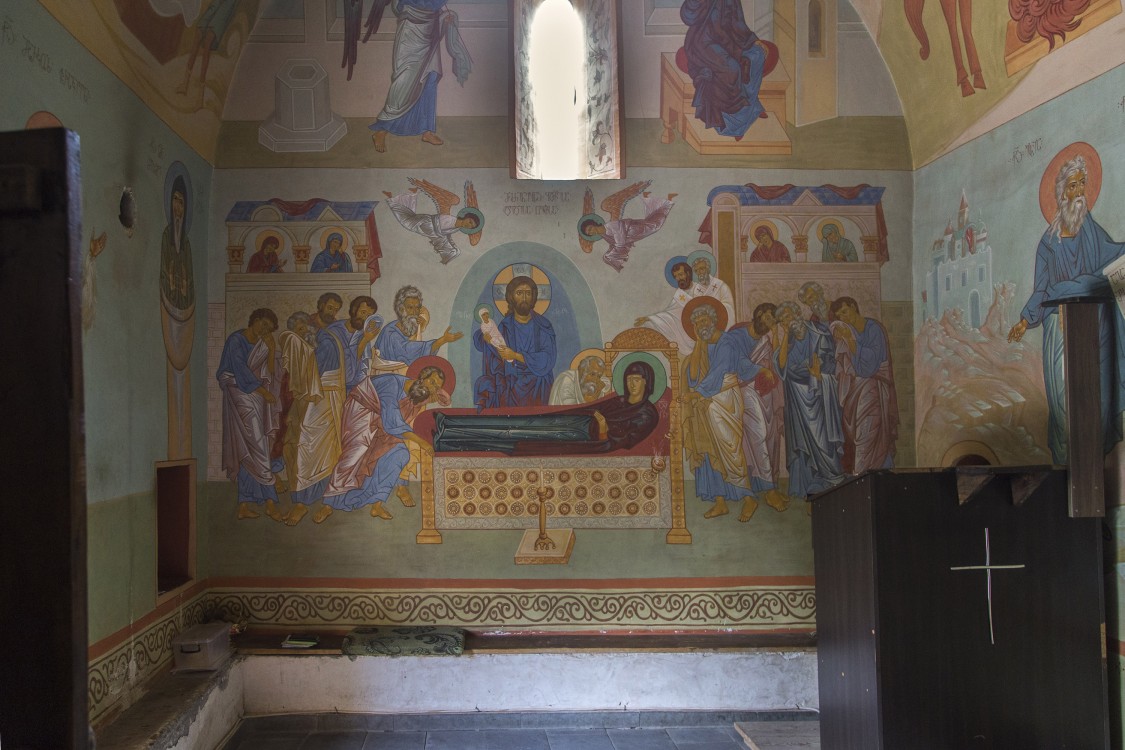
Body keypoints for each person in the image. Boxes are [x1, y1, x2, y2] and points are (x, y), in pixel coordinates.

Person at [1008, 154, 1125, 462]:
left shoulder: (1092, 231)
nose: (1079, 191)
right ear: (1062, 193)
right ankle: (1069, 469)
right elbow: (1042, 289)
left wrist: (1075, 286)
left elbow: (1113, 258)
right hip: (1060, 330)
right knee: (1064, 401)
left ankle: (1091, 468)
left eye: (1082, 184)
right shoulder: (1048, 244)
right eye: (1073, 186)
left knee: (1099, 397)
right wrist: (1025, 320)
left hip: (1097, 328)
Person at [434, 360, 659, 455]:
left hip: (582, 436)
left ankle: (447, 441)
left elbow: (625, 441)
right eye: (630, 378)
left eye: (637, 379)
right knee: (514, 422)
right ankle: (449, 422)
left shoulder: (647, 413)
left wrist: (602, 427)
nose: (632, 383)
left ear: (646, 382)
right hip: (574, 421)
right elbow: (592, 407)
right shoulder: (619, 401)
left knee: (512, 435)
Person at [318, 366, 447, 522]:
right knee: (356, 451)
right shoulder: (392, 384)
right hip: (360, 410)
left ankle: (376, 503)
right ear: (421, 377)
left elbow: (397, 419)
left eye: (436, 387)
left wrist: (439, 395)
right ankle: (329, 503)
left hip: (381, 419)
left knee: (400, 453)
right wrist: (422, 443)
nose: (432, 388)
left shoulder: (416, 392)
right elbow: (393, 423)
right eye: (431, 382)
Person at [681, 301, 758, 522]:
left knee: (730, 449)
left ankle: (748, 498)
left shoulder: (726, 342)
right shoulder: (700, 348)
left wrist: (697, 394)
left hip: (725, 400)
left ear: (713, 321)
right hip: (705, 405)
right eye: (697, 323)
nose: (701, 326)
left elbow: (719, 372)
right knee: (708, 451)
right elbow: (694, 376)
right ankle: (720, 501)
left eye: (704, 320)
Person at [366, 0, 472, 153]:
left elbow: (433, 7)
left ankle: (426, 131)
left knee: (430, 78)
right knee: (404, 82)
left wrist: (444, 18)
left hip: (430, 31)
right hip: (410, 32)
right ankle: (381, 131)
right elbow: (399, 6)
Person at [217, 308, 286, 522]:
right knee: (258, 445)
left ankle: (244, 505)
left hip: (256, 396)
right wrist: (264, 392)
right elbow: (240, 370)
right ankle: (271, 501)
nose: (264, 330)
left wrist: (271, 348)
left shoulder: (262, 344)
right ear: (254, 320)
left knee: (248, 449)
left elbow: (271, 373)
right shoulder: (236, 340)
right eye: (263, 324)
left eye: (269, 328)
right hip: (238, 392)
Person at [679, 0, 779, 139]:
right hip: (703, 42)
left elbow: (738, 22)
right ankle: (734, 124)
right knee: (732, 70)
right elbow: (688, 16)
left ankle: (751, 108)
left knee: (757, 54)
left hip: (728, 40)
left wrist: (753, 40)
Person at [775, 302, 845, 498]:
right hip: (796, 397)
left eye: (788, 316)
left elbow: (831, 361)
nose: (787, 322)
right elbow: (781, 365)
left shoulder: (818, 331)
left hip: (818, 392)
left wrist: (819, 373)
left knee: (822, 437)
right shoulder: (788, 341)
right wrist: (784, 337)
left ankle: (833, 477)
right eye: (782, 321)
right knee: (801, 442)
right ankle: (808, 483)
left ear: (798, 313)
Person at [830, 297, 898, 474]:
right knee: (861, 431)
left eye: (845, 312)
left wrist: (850, 340)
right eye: (839, 316)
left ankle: (862, 474)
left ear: (854, 306)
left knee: (868, 431)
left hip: (873, 387)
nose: (843, 317)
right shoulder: (848, 331)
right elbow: (846, 364)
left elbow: (870, 365)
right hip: (856, 390)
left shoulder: (873, 328)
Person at [472, 276, 557, 408]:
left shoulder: (543, 326)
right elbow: (495, 350)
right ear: (511, 297)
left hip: (538, 385)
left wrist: (516, 356)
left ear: (533, 297)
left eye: (528, 293)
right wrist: (486, 340)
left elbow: (547, 358)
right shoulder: (505, 326)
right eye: (519, 293)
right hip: (511, 383)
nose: (524, 298)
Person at [581, 191, 677, 271]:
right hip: (633, 235)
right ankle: (650, 198)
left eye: (590, 229)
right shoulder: (603, 235)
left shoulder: (610, 225)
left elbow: (620, 242)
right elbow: (614, 244)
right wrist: (610, 254)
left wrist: (611, 255)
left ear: (594, 224)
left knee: (655, 225)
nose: (591, 232)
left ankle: (667, 201)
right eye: (589, 233)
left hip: (635, 230)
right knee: (651, 221)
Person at [383, 189, 480, 264]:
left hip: (432, 230)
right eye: (470, 221)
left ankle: (408, 195)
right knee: (406, 221)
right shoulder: (452, 219)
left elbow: (447, 234)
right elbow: (438, 223)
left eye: (471, 226)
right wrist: (440, 237)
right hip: (427, 222)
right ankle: (393, 199)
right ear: (466, 217)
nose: (468, 225)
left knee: (409, 217)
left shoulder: (457, 228)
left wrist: (452, 246)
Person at [375, 285, 462, 367]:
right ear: (401, 309)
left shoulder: (410, 327)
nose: (414, 312)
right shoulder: (390, 332)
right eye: (410, 308)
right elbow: (408, 351)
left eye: (417, 308)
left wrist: (421, 327)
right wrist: (442, 340)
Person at [635, 259, 698, 353]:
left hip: (694, 328)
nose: (678, 278)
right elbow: (671, 311)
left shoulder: (699, 290)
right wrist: (650, 318)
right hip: (680, 326)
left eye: (680, 275)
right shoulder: (680, 293)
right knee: (649, 325)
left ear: (688, 273)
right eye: (676, 276)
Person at [326, 296, 379, 393]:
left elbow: (364, 367)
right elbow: (347, 375)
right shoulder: (334, 332)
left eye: (369, 316)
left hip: (358, 386)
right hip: (339, 389)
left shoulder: (362, 332)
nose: (365, 318)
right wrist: (365, 340)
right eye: (363, 312)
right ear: (354, 310)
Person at [689, 253, 735, 323]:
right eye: (696, 270)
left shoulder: (721, 286)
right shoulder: (696, 290)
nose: (699, 272)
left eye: (701, 269)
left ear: (708, 269)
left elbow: (729, 307)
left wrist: (714, 309)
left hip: (720, 321)